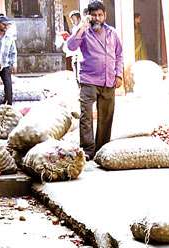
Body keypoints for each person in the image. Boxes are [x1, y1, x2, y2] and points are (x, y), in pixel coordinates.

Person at [66, 1, 124, 158]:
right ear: (89, 16)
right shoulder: (84, 32)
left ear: (105, 15)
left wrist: (118, 74)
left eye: (100, 15)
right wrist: (81, 27)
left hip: (108, 80)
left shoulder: (112, 33)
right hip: (88, 80)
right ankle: (87, 150)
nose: (97, 18)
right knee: (86, 116)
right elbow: (70, 46)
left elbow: (119, 55)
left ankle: (101, 150)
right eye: (94, 15)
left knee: (106, 117)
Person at [0, 16, 18, 106]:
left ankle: (8, 104)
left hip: (5, 64)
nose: (5, 27)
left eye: (6, 25)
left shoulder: (9, 37)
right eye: (3, 24)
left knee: (8, 85)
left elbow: (13, 52)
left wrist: (14, 64)